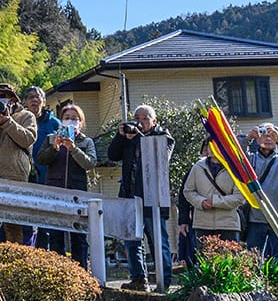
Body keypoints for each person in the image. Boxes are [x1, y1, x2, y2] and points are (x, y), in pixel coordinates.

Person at [106, 105, 175, 291]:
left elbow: (157, 157)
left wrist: (137, 138)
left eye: (145, 118)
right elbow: (112, 155)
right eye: (137, 118)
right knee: (132, 241)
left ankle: (164, 283)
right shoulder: (130, 137)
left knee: (158, 242)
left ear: (155, 121)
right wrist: (121, 137)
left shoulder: (164, 137)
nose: (140, 122)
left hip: (153, 200)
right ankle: (138, 279)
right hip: (130, 197)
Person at [0, 82, 38, 243]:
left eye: (2, 96)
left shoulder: (26, 116)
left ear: (13, 99)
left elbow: (27, 139)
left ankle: (13, 263)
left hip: (14, 178)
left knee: (13, 225)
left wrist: (7, 121)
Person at [35, 101, 95, 262]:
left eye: (74, 118)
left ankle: (81, 276)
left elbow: (90, 163)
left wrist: (73, 149)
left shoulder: (86, 142)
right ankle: (60, 275)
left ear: (81, 122)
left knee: (79, 237)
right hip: (55, 192)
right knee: (55, 236)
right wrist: (54, 147)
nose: (71, 121)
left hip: (77, 193)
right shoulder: (50, 138)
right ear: (61, 120)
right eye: (67, 117)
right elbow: (41, 160)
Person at [242, 122, 278, 261]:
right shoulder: (251, 159)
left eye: (272, 135)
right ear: (258, 138)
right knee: (254, 260)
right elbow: (236, 157)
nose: (268, 138)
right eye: (264, 134)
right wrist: (247, 139)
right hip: (256, 218)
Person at [181, 139, 243, 260]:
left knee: (228, 262)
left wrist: (215, 202)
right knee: (205, 262)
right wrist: (201, 202)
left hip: (228, 224)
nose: (213, 148)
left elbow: (240, 197)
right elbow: (188, 191)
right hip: (202, 223)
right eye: (210, 145)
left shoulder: (234, 168)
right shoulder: (198, 167)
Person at [24, 86, 60, 184]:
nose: (34, 100)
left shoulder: (55, 123)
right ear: (25, 102)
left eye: (38, 97)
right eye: (30, 97)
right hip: (24, 173)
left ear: (44, 101)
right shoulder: (19, 121)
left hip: (49, 175)